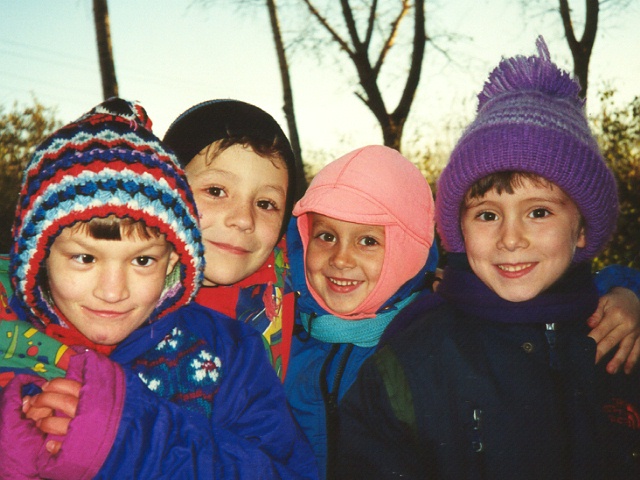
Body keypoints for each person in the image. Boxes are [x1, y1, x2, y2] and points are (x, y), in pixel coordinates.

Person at [337, 37, 640, 479]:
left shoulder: (621, 341)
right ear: (459, 228)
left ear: (582, 230)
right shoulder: (409, 364)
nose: (511, 239)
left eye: (539, 212)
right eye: (486, 214)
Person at [0, 97, 317, 479]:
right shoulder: (9, 321)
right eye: (216, 191)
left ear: (169, 255)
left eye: (142, 260)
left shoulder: (236, 345)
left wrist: (136, 438)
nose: (113, 291)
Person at [283, 144, 439, 479]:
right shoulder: (275, 337)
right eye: (326, 236)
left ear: (409, 251)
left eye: (367, 241)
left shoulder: (430, 349)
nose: (341, 259)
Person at [163, 100, 299, 379]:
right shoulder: (119, 293)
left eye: (265, 204)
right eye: (215, 191)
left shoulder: (299, 277)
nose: (244, 219)